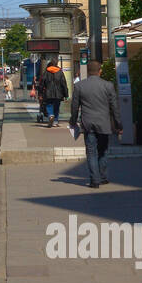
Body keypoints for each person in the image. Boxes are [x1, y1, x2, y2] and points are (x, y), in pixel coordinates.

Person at [69, 59, 122, 187]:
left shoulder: (79, 86)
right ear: (100, 71)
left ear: (87, 71)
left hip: (88, 124)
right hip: (104, 123)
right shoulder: (108, 85)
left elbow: (74, 106)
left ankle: (94, 180)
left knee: (91, 152)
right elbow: (114, 107)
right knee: (103, 150)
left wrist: (73, 120)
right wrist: (118, 124)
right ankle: (103, 177)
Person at [39, 59, 68, 127]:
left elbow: (42, 83)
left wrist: (40, 93)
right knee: (57, 107)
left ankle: (50, 115)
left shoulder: (46, 72)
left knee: (49, 104)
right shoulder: (60, 72)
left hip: (48, 93)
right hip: (59, 93)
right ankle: (55, 121)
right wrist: (66, 95)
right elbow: (64, 84)